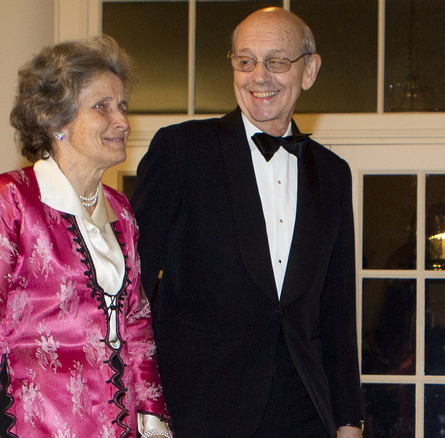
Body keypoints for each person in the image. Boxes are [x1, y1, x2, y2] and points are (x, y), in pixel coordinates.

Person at [131, 7, 364, 438]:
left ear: (309, 71)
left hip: (304, 413)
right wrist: (142, 402)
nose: (259, 76)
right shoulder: (181, 151)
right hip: (198, 408)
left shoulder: (332, 173)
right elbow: (134, 287)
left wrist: (349, 420)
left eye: (276, 61)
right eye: (245, 61)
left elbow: (337, 305)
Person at [0, 36, 172, 438]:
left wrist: (152, 416)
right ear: (55, 121)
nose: (122, 121)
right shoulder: (7, 199)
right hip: (33, 424)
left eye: (122, 106)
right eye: (102, 107)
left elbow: (136, 323)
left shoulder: (120, 211)